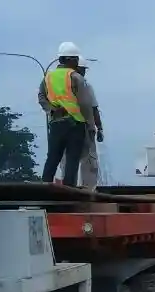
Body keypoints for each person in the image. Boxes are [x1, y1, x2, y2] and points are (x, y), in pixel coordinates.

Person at [38, 42, 95, 187]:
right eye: (75, 59)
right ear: (69, 60)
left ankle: (44, 186)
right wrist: (90, 125)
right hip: (75, 124)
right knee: (72, 159)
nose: (77, 62)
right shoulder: (75, 77)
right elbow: (85, 104)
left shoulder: (48, 77)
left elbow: (41, 97)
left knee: (53, 157)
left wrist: (51, 110)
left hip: (56, 123)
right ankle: (69, 189)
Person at [61, 55, 104, 190]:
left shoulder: (61, 87)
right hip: (84, 129)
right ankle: (88, 191)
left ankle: (68, 189)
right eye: (83, 69)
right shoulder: (85, 85)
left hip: (64, 129)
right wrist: (99, 128)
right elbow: (93, 108)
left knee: (67, 162)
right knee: (89, 162)